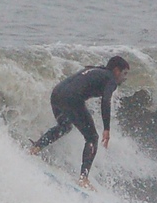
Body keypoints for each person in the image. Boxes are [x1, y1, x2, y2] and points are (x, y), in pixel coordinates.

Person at [29, 55, 130, 187]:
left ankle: (35, 148)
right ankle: (83, 179)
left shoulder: (96, 70)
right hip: (71, 98)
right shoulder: (111, 78)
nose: (125, 78)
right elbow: (106, 101)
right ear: (116, 70)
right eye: (124, 73)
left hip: (57, 94)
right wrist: (106, 128)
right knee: (92, 137)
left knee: (65, 126)